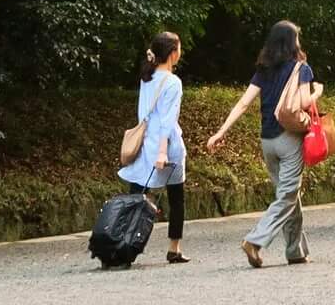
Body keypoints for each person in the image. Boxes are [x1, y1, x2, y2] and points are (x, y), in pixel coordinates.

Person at [206, 20, 324, 268]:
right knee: (287, 196)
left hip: (267, 141)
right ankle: (255, 240)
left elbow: (244, 103)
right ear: (293, 42)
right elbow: (302, 102)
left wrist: (220, 132)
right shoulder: (301, 69)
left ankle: (295, 251)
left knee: (288, 195)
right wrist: (317, 93)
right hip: (289, 139)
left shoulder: (264, 69)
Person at [116, 30, 188, 265]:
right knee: (176, 197)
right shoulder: (173, 82)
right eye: (178, 48)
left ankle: (123, 243)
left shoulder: (146, 78)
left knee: (136, 194)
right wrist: (162, 151)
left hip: (146, 143)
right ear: (172, 53)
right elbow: (167, 121)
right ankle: (174, 248)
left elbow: (145, 114)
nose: (180, 52)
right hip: (167, 146)